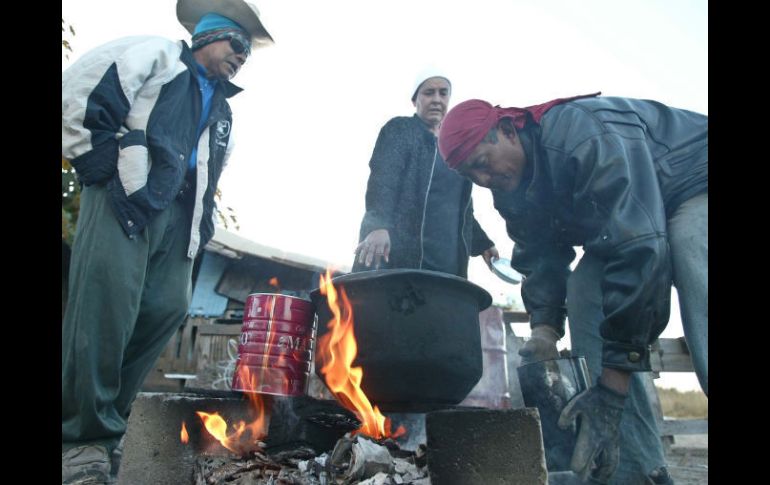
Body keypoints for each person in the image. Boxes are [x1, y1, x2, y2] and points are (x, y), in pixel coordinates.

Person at [438, 94, 707, 484]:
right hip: (645, 216)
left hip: (695, 181)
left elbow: (639, 247)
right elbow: (539, 254)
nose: (482, 180)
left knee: (691, 243)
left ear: (509, 130)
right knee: (585, 290)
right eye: (470, 176)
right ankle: (639, 472)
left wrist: (613, 388)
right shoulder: (510, 188)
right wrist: (545, 330)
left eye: (481, 164)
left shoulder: (578, 135)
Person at [61, 0, 273, 482]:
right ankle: (79, 443)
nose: (242, 57)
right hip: (124, 196)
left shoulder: (222, 111)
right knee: (104, 310)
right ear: (208, 34)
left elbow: (207, 174)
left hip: (179, 217)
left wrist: (200, 229)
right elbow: (81, 91)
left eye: (248, 53)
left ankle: (103, 435)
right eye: (237, 44)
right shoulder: (154, 55)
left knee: (166, 307)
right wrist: (102, 169)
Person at [353, 70, 498, 276]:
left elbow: (460, 210)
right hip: (398, 260)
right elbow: (383, 181)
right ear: (415, 100)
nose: (437, 99)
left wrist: (483, 244)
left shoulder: (457, 150)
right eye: (429, 93)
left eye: (443, 93)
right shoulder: (400, 130)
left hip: (447, 270)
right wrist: (377, 226)